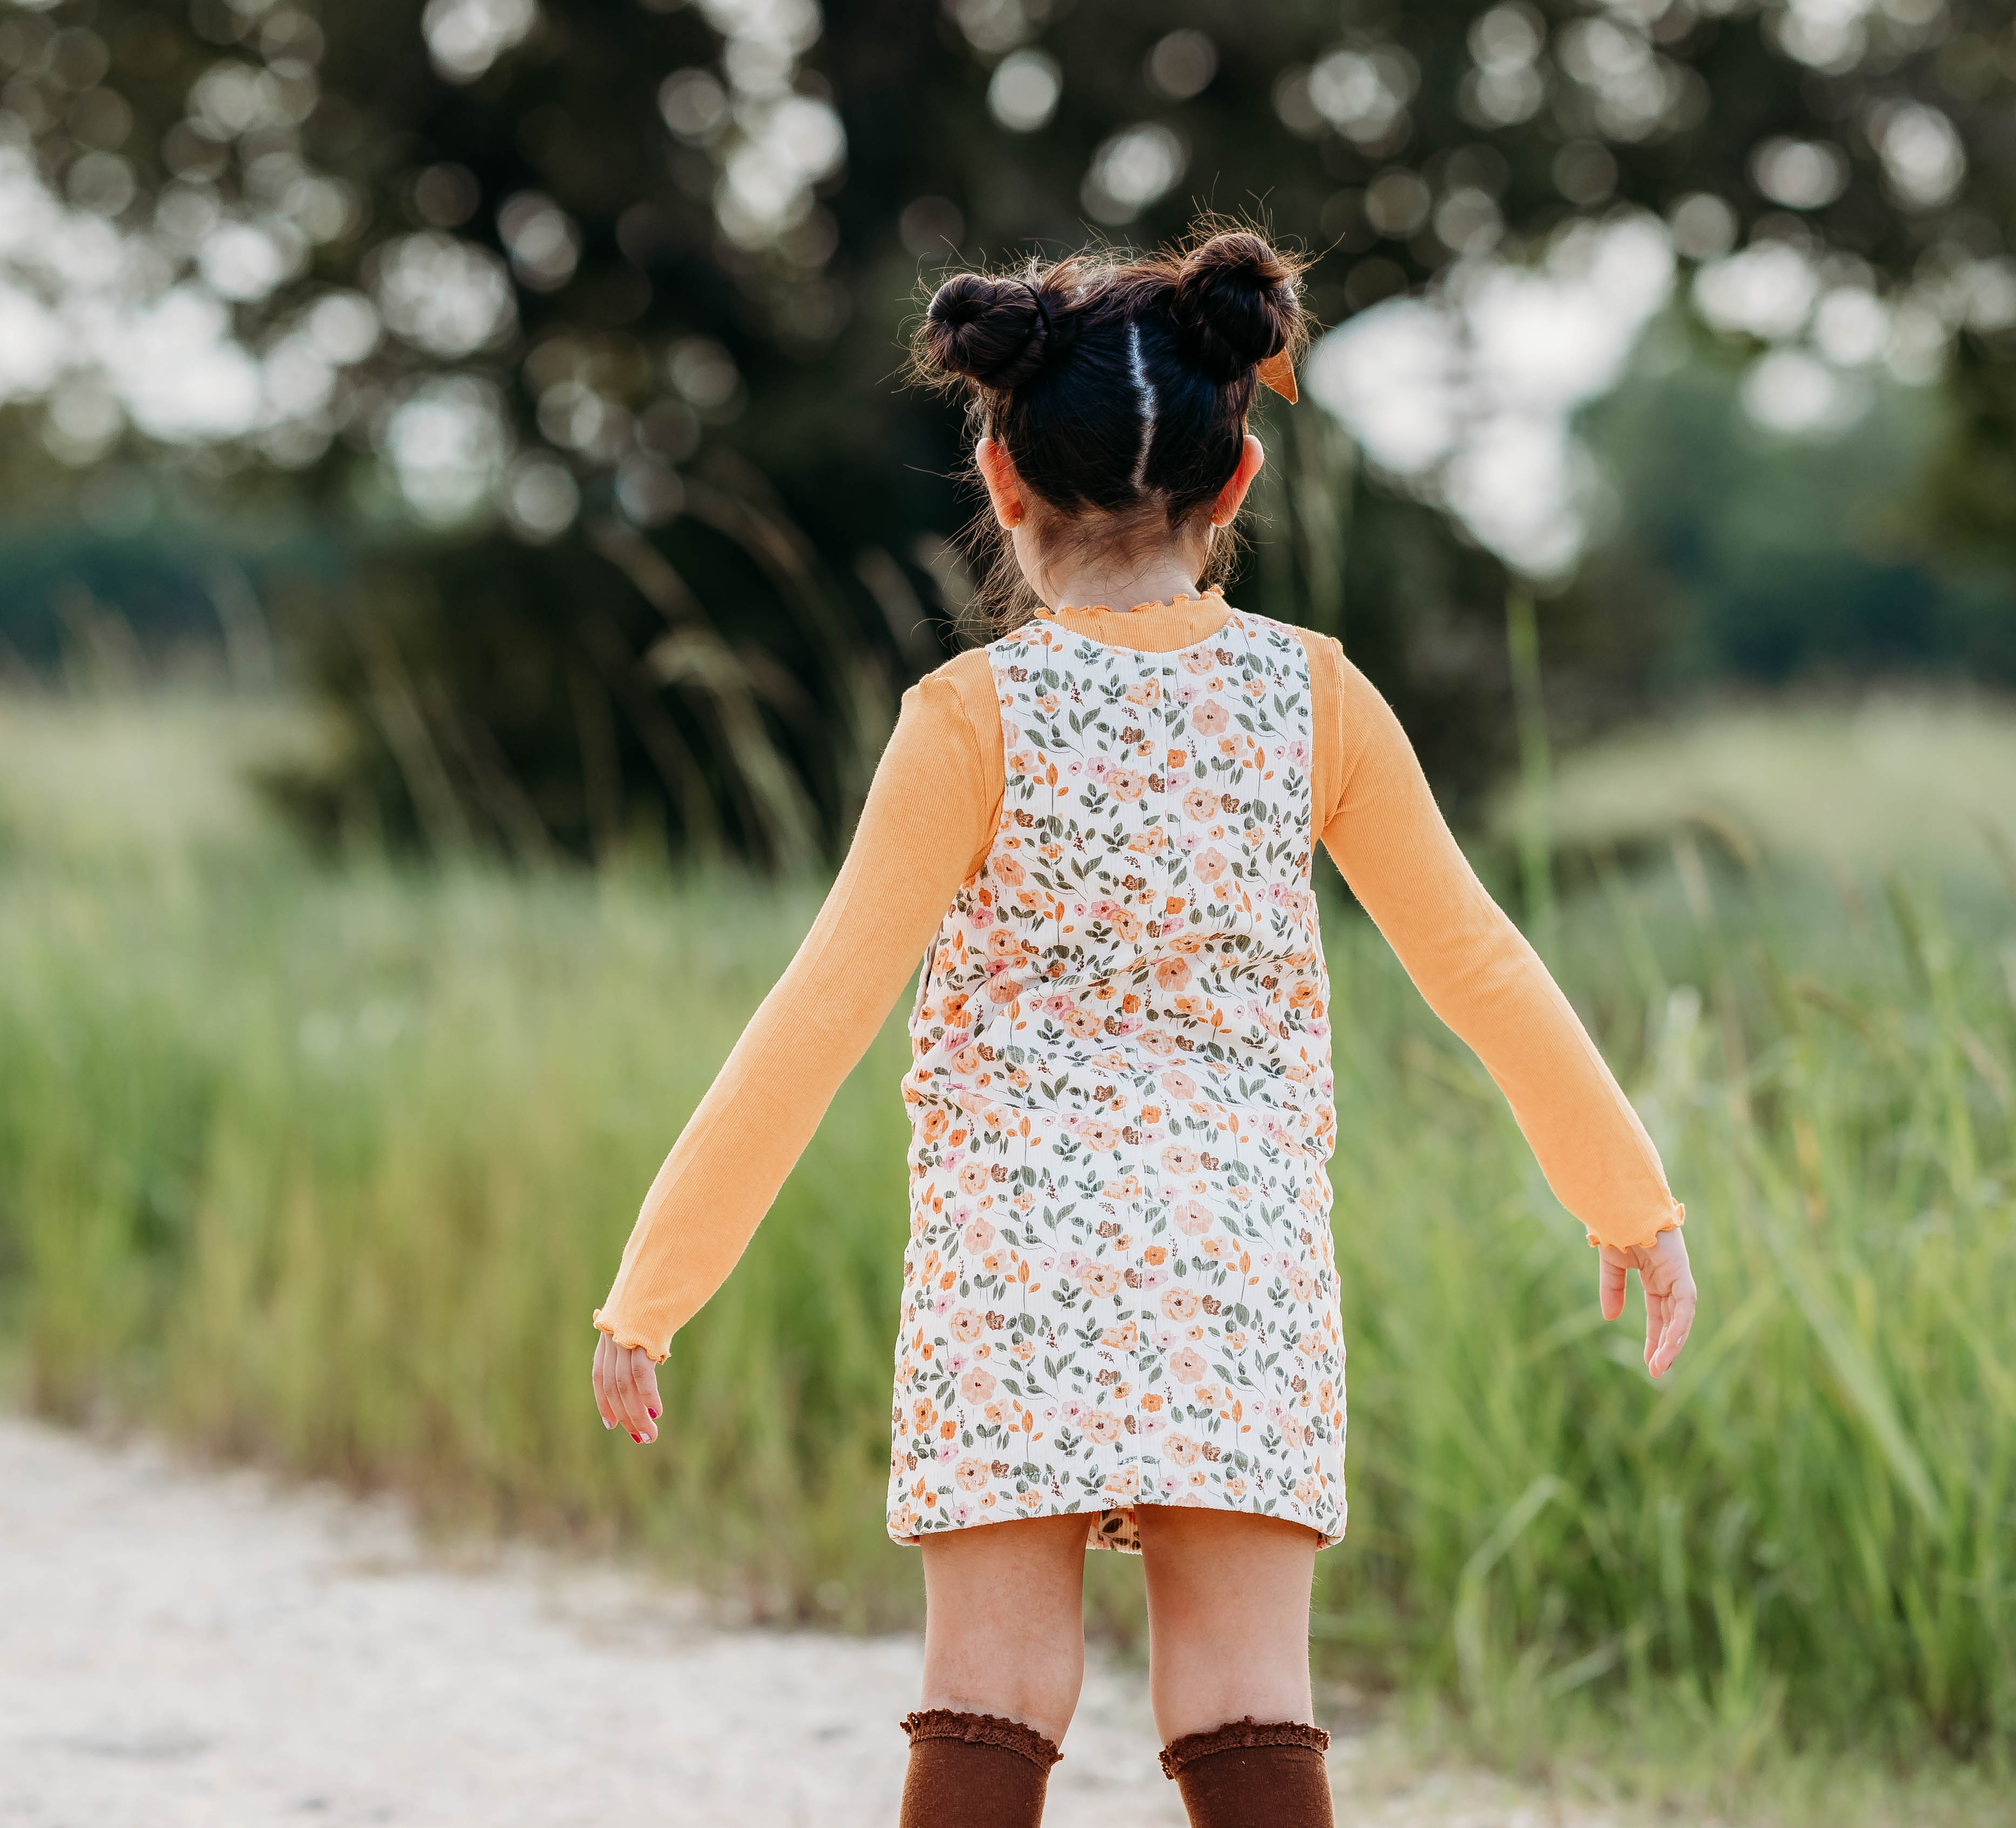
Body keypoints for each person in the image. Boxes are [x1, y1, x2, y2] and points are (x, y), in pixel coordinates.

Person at [589, 224, 1697, 1828]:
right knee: (1250, 1699)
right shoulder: (1315, 697)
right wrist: (1628, 1198)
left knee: (991, 1688)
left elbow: (818, 1014)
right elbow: (1478, 961)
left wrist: (656, 1286)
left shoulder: (967, 721)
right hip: (1233, 1268)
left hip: (1012, 1266)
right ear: (1236, 479)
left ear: (1001, 477)